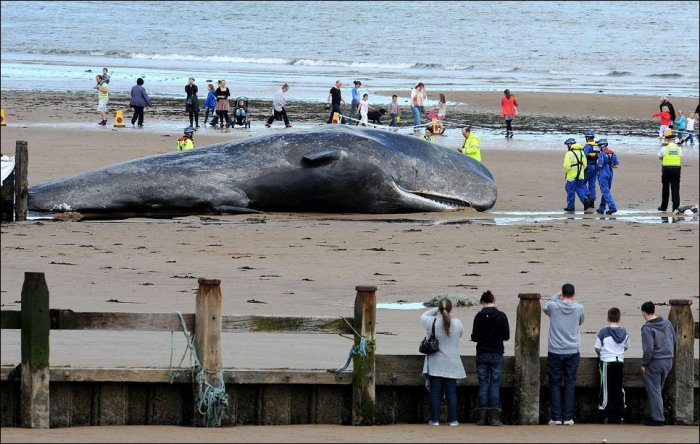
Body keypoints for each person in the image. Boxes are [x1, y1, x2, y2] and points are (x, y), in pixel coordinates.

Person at [543, 283, 585, 426]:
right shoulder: (579, 308)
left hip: (555, 349)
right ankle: (567, 417)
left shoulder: (554, 306)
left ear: (562, 293)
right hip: (572, 350)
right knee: (570, 383)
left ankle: (556, 417)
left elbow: (545, 306)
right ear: (573, 294)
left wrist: (556, 295)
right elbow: (581, 321)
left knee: (554, 383)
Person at [421, 298, 466, 427]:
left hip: (435, 363)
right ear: (451, 309)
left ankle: (434, 420)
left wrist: (437, 309)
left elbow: (423, 315)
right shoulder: (458, 323)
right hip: (452, 363)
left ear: (439, 310)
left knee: (435, 393)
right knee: (451, 393)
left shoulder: (431, 322)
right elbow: (460, 335)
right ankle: (453, 420)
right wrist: (444, 309)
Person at [470, 290, 510, 426]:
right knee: (494, 384)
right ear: (494, 300)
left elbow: (474, 337)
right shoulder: (501, 316)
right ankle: (494, 417)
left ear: (482, 302)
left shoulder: (478, 316)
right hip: (496, 353)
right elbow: (506, 336)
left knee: (483, 383)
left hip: (482, 353)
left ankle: (481, 417)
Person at [640, 301, 676, 426]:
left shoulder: (647, 328)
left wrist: (644, 363)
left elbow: (648, 349)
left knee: (654, 390)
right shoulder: (667, 323)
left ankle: (658, 418)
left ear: (644, 312)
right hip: (668, 361)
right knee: (658, 389)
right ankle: (658, 414)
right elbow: (673, 339)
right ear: (654, 310)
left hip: (655, 362)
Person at [594, 307, 630, 424]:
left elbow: (597, 348)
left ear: (608, 318)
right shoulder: (624, 332)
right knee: (618, 387)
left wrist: (602, 354)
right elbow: (626, 346)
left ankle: (604, 412)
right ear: (619, 319)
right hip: (619, 361)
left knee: (606, 387)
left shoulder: (603, 332)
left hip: (606, 362)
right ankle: (620, 413)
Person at [562, 138, 592, 213]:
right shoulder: (582, 152)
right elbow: (585, 164)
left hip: (571, 175)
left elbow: (566, 166)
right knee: (579, 188)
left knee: (570, 190)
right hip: (580, 175)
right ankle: (585, 199)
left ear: (570, 145)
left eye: (567, 145)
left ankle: (571, 207)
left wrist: (567, 171)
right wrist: (581, 170)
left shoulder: (568, 153)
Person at [657, 129, 682, 213]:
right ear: (674, 140)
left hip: (666, 169)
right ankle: (675, 207)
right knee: (675, 188)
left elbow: (659, 156)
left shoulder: (664, 148)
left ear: (667, 140)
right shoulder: (678, 148)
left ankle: (664, 206)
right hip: (676, 169)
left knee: (665, 188)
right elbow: (681, 156)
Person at [595, 139, 619, 215]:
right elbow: (615, 164)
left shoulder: (601, 154)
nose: (598, 147)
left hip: (603, 173)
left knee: (605, 191)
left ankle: (612, 207)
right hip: (610, 172)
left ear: (603, 145)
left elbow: (600, 164)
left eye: (599, 145)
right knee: (606, 190)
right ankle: (601, 208)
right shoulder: (612, 152)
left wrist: (595, 168)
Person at [582, 130, 600, 206]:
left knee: (582, 183)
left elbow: (584, 157)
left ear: (587, 138)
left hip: (588, 166)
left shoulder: (587, 146)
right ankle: (592, 202)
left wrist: (583, 167)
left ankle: (589, 196)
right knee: (592, 184)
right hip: (596, 166)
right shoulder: (597, 145)